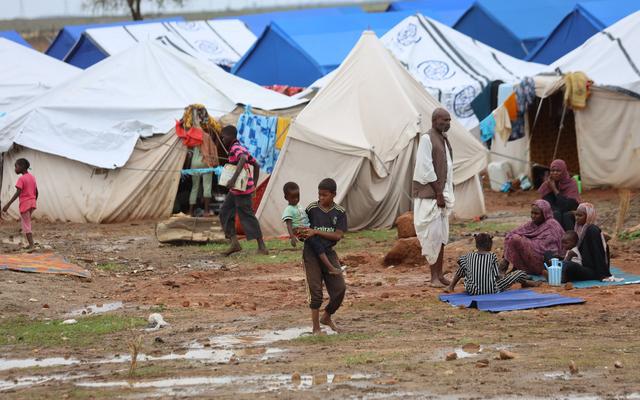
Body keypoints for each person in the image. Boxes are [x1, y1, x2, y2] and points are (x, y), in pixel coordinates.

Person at [297, 178, 347, 335]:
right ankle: (315, 328)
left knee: (340, 289)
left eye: (324, 195)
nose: (321, 198)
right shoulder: (311, 209)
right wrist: (300, 233)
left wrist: (316, 231)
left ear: (333, 195)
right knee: (316, 291)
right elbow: (303, 229)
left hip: (329, 253)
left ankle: (327, 316)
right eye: (319, 194)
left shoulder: (339, 212)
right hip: (311, 254)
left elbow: (338, 236)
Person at [413, 108, 454, 287]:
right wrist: (438, 193)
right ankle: (433, 277)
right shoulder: (426, 139)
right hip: (431, 198)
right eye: (445, 120)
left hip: (442, 196)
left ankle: (440, 275)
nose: (447, 124)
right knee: (432, 237)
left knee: (442, 237)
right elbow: (425, 169)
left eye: (449, 121)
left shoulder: (444, 139)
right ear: (435, 120)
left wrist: (444, 193)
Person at [218, 125, 268, 256]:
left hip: (241, 189)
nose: (222, 140)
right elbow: (256, 165)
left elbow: (243, 159)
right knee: (225, 212)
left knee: (247, 216)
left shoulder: (236, 148)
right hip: (237, 190)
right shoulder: (240, 148)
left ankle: (262, 247)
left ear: (231, 137)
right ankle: (234, 243)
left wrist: (233, 179)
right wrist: (254, 185)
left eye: (223, 137)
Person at [446, 233, 540, 295]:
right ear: (489, 245)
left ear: (476, 245)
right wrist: (504, 277)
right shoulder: (492, 257)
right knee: (520, 273)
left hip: (472, 291)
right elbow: (496, 276)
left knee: (464, 265)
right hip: (491, 290)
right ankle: (525, 282)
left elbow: (461, 266)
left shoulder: (468, 256)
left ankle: (451, 286)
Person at [282, 182, 342, 275]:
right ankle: (330, 267)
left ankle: (330, 263)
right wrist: (292, 237)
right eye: (293, 197)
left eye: (298, 197)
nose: (296, 199)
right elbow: (289, 224)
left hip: (306, 229)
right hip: (300, 231)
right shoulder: (289, 209)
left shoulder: (299, 206)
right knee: (318, 246)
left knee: (319, 242)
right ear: (286, 198)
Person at [545, 203, 611, 282]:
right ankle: (555, 274)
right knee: (548, 255)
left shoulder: (592, 230)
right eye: (576, 215)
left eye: (580, 216)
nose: (577, 218)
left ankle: (557, 277)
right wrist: (560, 258)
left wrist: (602, 274)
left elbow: (598, 253)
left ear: (588, 216)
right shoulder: (579, 229)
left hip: (591, 270)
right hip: (579, 262)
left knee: (569, 265)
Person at [502, 199, 564, 275]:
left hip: (545, 263)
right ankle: (513, 267)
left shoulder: (552, 225)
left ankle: (511, 268)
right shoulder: (532, 224)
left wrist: (524, 242)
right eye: (532, 213)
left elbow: (547, 248)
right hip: (531, 259)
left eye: (536, 213)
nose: (533, 216)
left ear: (544, 214)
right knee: (512, 238)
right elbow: (512, 233)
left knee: (516, 239)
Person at [1, 158, 38, 248]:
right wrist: (33, 200)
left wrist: (8, 204)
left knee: (26, 224)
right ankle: (30, 243)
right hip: (32, 203)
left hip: (25, 204)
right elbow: (36, 192)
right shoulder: (32, 177)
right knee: (26, 222)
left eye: (16, 166)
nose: (15, 169)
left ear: (22, 167)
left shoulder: (21, 179)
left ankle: (32, 244)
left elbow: (18, 192)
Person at [538, 159, 580, 231]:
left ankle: (571, 239)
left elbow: (568, 206)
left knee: (566, 215)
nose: (555, 173)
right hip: (555, 215)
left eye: (558, 171)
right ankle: (557, 238)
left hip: (569, 213)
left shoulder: (571, 183)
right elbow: (548, 206)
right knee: (556, 214)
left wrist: (554, 189)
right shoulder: (547, 185)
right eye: (552, 170)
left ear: (564, 171)